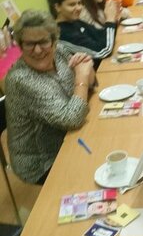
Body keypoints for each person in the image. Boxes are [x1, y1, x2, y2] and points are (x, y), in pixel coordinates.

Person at [5, 10, 94, 184]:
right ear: (20, 45)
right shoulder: (21, 79)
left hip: (71, 138)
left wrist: (85, 67)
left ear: (54, 40)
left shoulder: (59, 51)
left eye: (44, 42)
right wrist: (81, 78)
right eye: (29, 44)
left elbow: (89, 84)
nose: (38, 50)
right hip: (43, 162)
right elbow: (72, 118)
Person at [48, 0, 118, 65]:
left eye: (79, 3)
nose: (79, 8)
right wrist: (110, 20)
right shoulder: (61, 33)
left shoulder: (75, 21)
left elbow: (99, 34)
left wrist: (114, 21)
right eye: (72, 5)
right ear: (57, 7)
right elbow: (102, 51)